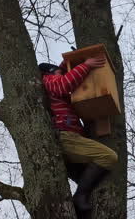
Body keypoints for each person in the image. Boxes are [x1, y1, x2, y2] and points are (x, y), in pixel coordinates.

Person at [39, 56, 118, 212]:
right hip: (67, 137)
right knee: (108, 156)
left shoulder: (54, 77)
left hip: (72, 137)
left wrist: (70, 61)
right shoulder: (48, 79)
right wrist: (85, 66)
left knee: (89, 179)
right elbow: (63, 84)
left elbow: (61, 73)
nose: (62, 75)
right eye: (59, 72)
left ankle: (81, 204)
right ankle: (80, 196)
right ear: (50, 73)